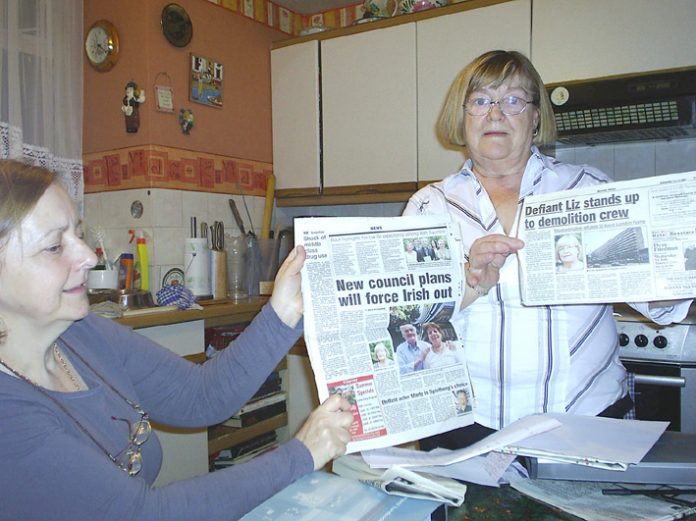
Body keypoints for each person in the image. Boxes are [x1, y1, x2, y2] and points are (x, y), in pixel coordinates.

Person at [0, 160, 354, 520]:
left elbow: (200, 395)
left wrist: (285, 310)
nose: (89, 256)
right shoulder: (8, 419)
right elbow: (149, 514)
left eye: (78, 233)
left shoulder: (82, 333)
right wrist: (301, 453)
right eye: (54, 247)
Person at [404, 50, 692, 449]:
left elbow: (660, 299)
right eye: (481, 100)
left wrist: (683, 260)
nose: (495, 113)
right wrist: (467, 278)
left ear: (535, 116)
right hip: (465, 419)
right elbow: (407, 323)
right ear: (463, 114)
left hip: (585, 415)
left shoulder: (589, 189)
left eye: (513, 100)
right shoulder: (428, 205)